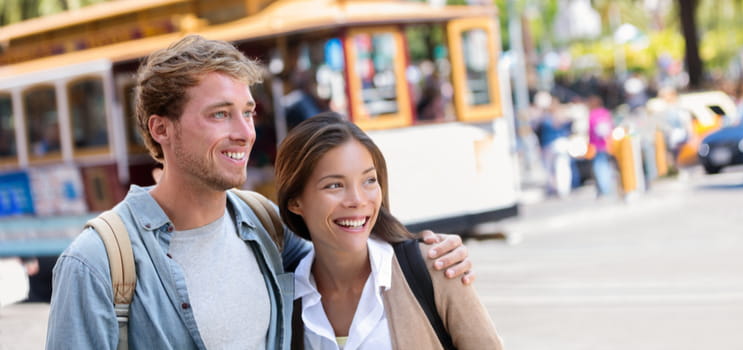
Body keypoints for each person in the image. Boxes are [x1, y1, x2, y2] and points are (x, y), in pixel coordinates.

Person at [46, 35, 473, 349]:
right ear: (162, 129)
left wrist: (427, 253)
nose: (244, 133)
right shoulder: (96, 262)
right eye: (220, 115)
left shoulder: (264, 225)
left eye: (248, 113)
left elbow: (346, 256)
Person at [275, 112, 503, 349]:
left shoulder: (434, 267)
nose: (358, 200)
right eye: (335, 185)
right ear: (295, 202)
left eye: (369, 180)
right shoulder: (285, 299)